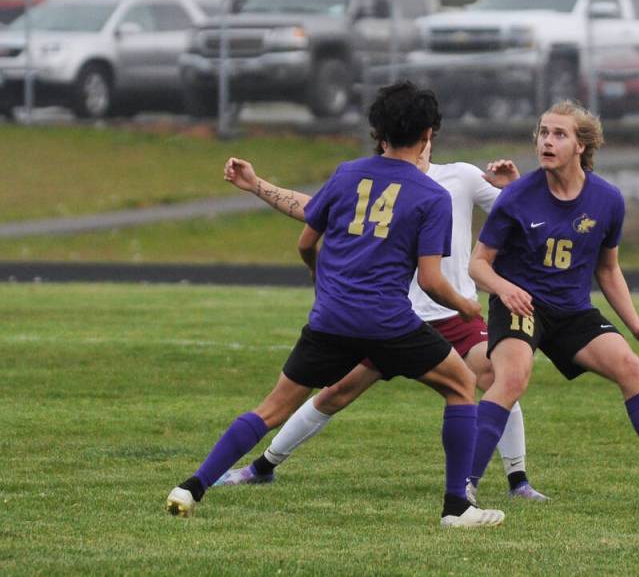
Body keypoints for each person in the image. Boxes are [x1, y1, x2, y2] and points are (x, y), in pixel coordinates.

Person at [165, 80, 505, 528]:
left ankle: (191, 486)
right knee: (461, 386)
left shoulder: (347, 174)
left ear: (378, 132)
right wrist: (465, 305)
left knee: (271, 408)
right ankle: (457, 508)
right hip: (389, 323)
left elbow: (308, 234)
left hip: (331, 319)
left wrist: (315, 270)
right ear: (428, 135)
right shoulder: (431, 196)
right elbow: (430, 280)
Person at [211, 147, 549, 501]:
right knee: (335, 393)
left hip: (453, 317)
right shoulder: (374, 181)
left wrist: (513, 186)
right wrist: (256, 184)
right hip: (393, 321)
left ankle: (518, 481)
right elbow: (314, 210)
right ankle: (262, 467)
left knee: (497, 378)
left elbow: (524, 218)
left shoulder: (461, 176)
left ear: (428, 138)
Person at [466, 100, 639, 510]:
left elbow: (608, 269)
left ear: (581, 145)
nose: (547, 141)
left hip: (571, 311)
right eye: (543, 133)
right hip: (522, 305)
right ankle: (464, 487)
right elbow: (478, 265)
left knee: (629, 366)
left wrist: (635, 326)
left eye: (559, 134)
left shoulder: (607, 200)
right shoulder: (516, 198)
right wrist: (504, 289)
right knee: (511, 378)